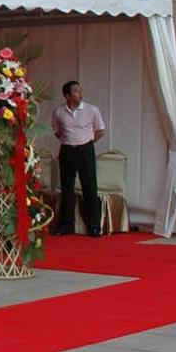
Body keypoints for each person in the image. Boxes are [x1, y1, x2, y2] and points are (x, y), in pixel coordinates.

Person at [51, 80, 106, 237]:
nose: (79, 93)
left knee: (90, 187)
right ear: (67, 95)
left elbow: (100, 130)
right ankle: (66, 225)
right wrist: (70, 141)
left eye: (80, 90)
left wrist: (87, 142)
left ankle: (94, 226)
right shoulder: (58, 112)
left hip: (85, 149)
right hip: (67, 150)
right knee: (66, 188)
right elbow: (57, 130)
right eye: (75, 91)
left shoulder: (92, 110)